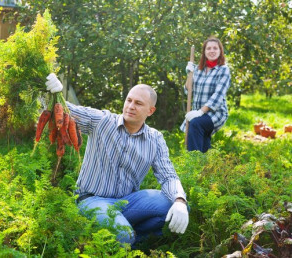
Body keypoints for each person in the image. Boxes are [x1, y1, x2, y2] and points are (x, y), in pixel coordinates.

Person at [45, 75, 189, 246]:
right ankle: (122, 238)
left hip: (128, 202)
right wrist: (53, 93)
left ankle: (132, 241)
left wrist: (179, 200)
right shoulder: (102, 121)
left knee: (179, 208)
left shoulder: (155, 139)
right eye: (129, 100)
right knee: (123, 234)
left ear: (150, 111)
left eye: (138, 103)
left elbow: (168, 177)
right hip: (92, 200)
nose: (131, 106)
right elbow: (65, 112)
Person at [181, 36, 231, 153]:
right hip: (197, 112)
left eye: (215, 48)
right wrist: (190, 73)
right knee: (202, 140)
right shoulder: (199, 69)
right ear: (204, 52)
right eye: (208, 48)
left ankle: (193, 161)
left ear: (220, 51)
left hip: (215, 113)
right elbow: (188, 90)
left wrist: (200, 112)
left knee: (195, 124)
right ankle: (204, 166)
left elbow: (218, 95)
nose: (212, 51)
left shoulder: (223, 70)